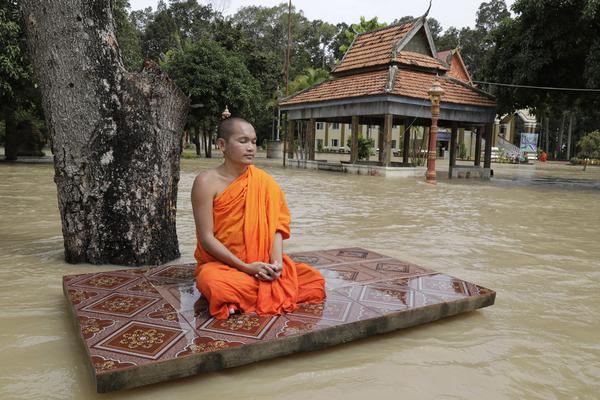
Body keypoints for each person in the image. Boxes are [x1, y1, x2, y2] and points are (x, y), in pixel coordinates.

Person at [191, 117, 326, 320]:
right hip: (224, 265)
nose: (251, 148)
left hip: (262, 265)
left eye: (254, 142)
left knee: (314, 279)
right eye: (243, 141)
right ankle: (248, 294)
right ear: (222, 145)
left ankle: (240, 300)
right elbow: (206, 238)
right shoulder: (206, 182)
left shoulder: (264, 182)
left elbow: (277, 228)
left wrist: (276, 265)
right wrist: (245, 267)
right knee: (211, 281)